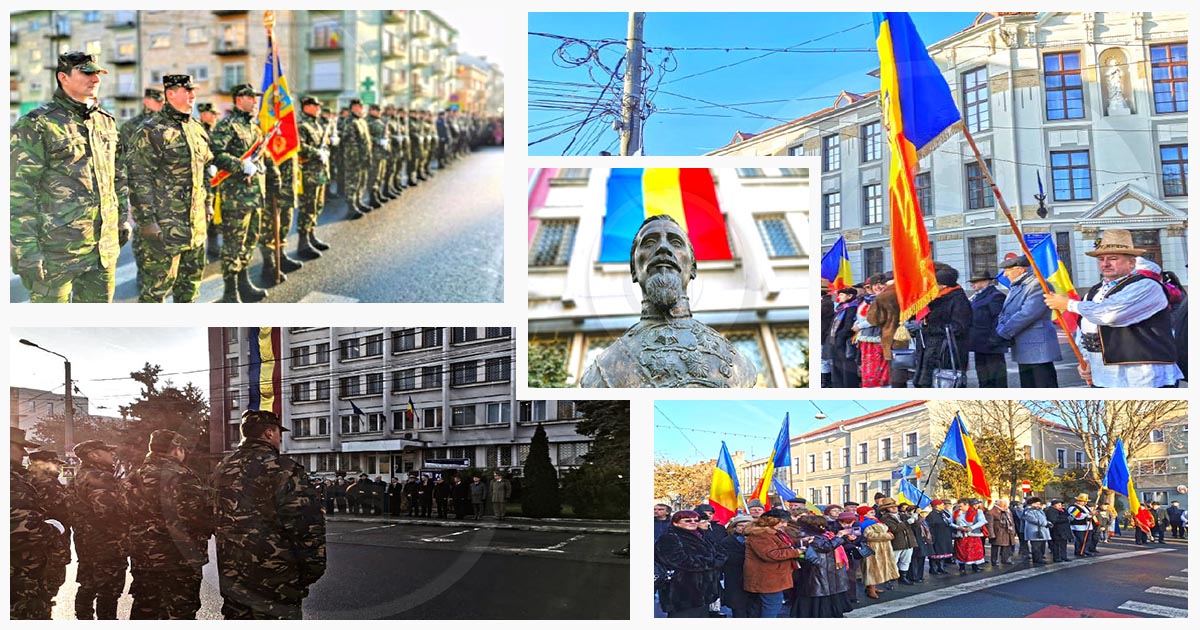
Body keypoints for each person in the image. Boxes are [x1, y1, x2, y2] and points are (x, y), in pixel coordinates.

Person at [579, 214, 757, 387]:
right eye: (649, 242)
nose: (663, 248)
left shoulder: (738, 365)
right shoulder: (605, 367)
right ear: (634, 270)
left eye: (675, 242)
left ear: (692, 267)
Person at [11, 52, 130, 302]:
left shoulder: (105, 122)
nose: (95, 78)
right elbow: (18, 191)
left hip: (102, 251)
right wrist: (26, 250)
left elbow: (116, 177)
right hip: (56, 253)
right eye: (87, 72)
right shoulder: (37, 124)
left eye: (97, 72)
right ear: (63, 77)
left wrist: (120, 221)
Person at [212, 410, 326, 619]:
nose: (280, 437)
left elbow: (209, 518)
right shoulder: (283, 468)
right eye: (278, 432)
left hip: (233, 577)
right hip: (275, 580)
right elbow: (306, 525)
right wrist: (311, 571)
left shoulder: (222, 469)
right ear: (268, 433)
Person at [1043, 229, 1183, 387]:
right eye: (1101, 259)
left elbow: (1111, 315)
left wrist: (1069, 304)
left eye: (1113, 258)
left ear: (1132, 262)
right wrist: (1087, 360)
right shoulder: (1093, 292)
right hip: (1104, 378)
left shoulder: (1146, 286)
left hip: (1143, 376)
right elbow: (1085, 331)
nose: (1105, 264)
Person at [127, 74, 214, 303]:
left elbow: (204, 170)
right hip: (164, 230)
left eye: (193, 90)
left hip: (195, 227)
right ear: (170, 94)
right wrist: (147, 222)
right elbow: (138, 178)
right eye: (186, 91)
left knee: (189, 291)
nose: (192, 95)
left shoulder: (196, 128)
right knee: (156, 293)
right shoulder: (152, 130)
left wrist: (208, 205)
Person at [124, 430, 213, 619]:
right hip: (178, 557)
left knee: (145, 607)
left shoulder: (135, 476)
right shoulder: (182, 475)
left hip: (143, 555)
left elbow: (123, 514)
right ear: (176, 450)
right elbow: (195, 515)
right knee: (180, 610)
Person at [209, 83, 277, 302]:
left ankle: (244, 282)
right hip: (235, 198)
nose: (256, 101)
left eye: (256, 98)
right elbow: (215, 154)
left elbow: (260, 155)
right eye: (251, 97)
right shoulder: (227, 125)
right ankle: (230, 292)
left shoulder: (254, 128)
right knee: (233, 245)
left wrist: (271, 175)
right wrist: (241, 166)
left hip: (255, 194)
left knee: (250, 241)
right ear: (239, 99)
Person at [11, 432, 70, 620]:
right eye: (20, 447)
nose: (23, 452)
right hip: (24, 566)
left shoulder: (21, 479)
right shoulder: (36, 483)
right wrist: (53, 528)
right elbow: (24, 525)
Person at [70, 439, 130, 619]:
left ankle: (84, 619)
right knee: (108, 591)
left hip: (85, 540)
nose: (112, 454)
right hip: (107, 543)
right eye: (107, 451)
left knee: (88, 584)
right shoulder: (100, 477)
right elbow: (108, 513)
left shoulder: (80, 475)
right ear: (93, 455)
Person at [995, 255, 1062, 387]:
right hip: (1024, 345)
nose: (1005, 274)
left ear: (1020, 270)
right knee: (1028, 386)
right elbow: (1007, 312)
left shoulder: (1038, 284)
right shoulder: (1018, 286)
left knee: (1043, 385)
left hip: (1037, 347)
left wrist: (1003, 332)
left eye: (1008, 270)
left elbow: (1028, 313)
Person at [654, 510, 724, 618]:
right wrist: (712, 562)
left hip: (705, 590)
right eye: (688, 520)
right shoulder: (669, 537)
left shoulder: (702, 535)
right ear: (676, 522)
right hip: (682, 591)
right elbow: (680, 560)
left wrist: (717, 560)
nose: (693, 522)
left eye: (696, 520)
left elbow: (720, 551)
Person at [914, 264, 972, 387]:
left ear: (944, 285)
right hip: (931, 349)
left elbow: (960, 327)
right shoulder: (935, 298)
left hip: (945, 353)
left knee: (942, 384)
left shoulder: (958, 300)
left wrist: (931, 328)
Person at [792, 513, 853, 618]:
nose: (823, 527)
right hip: (816, 568)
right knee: (819, 593)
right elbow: (826, 547)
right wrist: (839, 536)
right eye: (821, 525)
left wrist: (844, 538)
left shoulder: (816, 534)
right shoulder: (807, 535)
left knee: (825, 592)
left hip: (825, 568)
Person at [295, 95, 333, 258]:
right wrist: (316, 152)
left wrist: (326, 149)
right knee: (307, 208)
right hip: (309, 173)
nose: (318, 108)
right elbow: (299, 146)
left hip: (320, 172)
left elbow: (324, 145)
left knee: (317, 206)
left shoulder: (317, 125)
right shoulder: (301, 125)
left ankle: (311, 236)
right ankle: (303, 244)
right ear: (306, 106)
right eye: (315, 105)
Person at [743, 514, 802, 618]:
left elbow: (780, 547)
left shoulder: (770, 533)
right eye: (782, 522)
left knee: (770, 605)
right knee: (771, 606)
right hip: (767, 577)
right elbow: (770, 554)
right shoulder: (761, 535)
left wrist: (802, 541)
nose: (785, 525)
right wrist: (796, 552)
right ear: (771, 522)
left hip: (772, 576)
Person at [968, 273, 1009, 387]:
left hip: (991, 345)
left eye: (975, 282)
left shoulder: (995, 296)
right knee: (983, 378)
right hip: (979, 344)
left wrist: (994, 339)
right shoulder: (978, 296)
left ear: (985, 281)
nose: (972, 285)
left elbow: (998, 320)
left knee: (996, 378)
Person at [717, 514, 757, 618]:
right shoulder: (727, 541)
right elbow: (728, 559)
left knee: (754, 608)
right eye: (741, 525)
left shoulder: (758, 540)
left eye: (748, 525)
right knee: (739, 609)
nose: (744, 527)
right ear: (735, 527)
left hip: (755, 579)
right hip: (736, 579)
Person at [341, 98, 373, 217]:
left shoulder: (361, 121)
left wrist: (367, 157)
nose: (362, 108)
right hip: (354, 159)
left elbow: (366, 141)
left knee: (361, 181)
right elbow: (350, 143)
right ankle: (351, 207)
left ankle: (359, 202)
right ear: (354, 107)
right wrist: (356, 159)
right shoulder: (350, 122)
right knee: (352, 183)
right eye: (360, 106)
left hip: (363, 157)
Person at [855, 275, 889, 387]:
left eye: (881, 283)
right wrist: (856, 323)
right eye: (875, 284)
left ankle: (878, 385)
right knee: (868, 365)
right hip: (865, 337)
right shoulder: (867, 300)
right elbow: (860, 315)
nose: (878, 287)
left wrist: (860, 325)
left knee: (877, 366)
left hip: (878, 336)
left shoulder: (885, 299)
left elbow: (877, 319)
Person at [860, 505, 898, 599]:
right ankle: (871, 589)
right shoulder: (865, 523)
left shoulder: (875, 521)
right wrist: (887, 536)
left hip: (882, 547)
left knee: (878, 567)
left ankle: (874, 586)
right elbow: (869, 535)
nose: (873, 514)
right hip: (873, 548)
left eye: (873, 512)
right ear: (864, 514)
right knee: (872, 568)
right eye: (871, 512)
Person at [875, 498, 916, 584]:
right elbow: (895, 529)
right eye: (891, 507)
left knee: (906, 561)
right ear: (886, 509)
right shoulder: (885, 518)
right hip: (896, 543)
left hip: (908, 542)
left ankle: (903, 577)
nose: (894, 508)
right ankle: (889, 579)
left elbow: (915, 526)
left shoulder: (902, 515)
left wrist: (915, 518)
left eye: (895, 506)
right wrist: (908, 522)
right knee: (893, 561)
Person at [829, 287, 863, 388]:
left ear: (850, 296)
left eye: (842, 294)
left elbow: (848, 325)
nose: (839, 297)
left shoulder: (851, 307)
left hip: (844, 341)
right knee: (837, 365)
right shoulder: (841, 307)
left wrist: (840, 336)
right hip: (835, 340)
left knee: (847, 367)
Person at [952, 498, 987, 573]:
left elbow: (982, 521)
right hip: (961, 535)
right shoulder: (957, 513)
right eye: (959, 506)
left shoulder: (978, 512)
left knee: (974, 551)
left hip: (973, 534)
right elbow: (951, 522)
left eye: (961, 506)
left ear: (967, 505)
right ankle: (962, 567)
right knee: (961, 551)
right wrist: (958, 527)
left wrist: (971, 528)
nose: (960, 508)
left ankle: (975, 566)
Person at [924, 499, 955, 574]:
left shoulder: (943, 513)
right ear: (937, 506)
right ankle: (933, 568)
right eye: (941, 504)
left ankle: (941, 567)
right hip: (937, 536)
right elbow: (930, 527)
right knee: (936, 553)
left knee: (943, 553)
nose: (943, 506)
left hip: (945, 536)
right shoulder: (931, 515)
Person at [986, 498, 1018, 566]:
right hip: (998, 532)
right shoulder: (991, 512)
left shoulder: (1007, 511)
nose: (1006, 506)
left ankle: (1005, 559)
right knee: (995, 547)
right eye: (1004, 505)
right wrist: (991, 535)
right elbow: (990, 525)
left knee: (1007, 546)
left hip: (1007, 531)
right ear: (1000, 505)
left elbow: (1011, 522)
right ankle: (994, 560)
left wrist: (1013, 531)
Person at [905, 504, 932, 583]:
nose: (917, 512)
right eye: (915, 511)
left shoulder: (921, 519)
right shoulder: (909, 519)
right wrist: (913, 518)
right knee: (914, 560)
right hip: (914, 540)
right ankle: (914, 576)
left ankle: (920, 575)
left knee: (921, 559)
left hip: (922, 540)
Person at [1021, 497, 1051, 565]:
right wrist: (1045, 523)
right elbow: (1033, 519)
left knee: (1042, 545)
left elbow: (1044, 518)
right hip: (1034, 531)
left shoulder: (1040, 510)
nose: (1038, 505)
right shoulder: (1028, 511)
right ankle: (1037, 558)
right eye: (1037, 504)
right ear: (1032, 504)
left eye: (1039, 504)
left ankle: (1041, 557)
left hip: (1042, 530)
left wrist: (1048, 523)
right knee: (1036, 546)